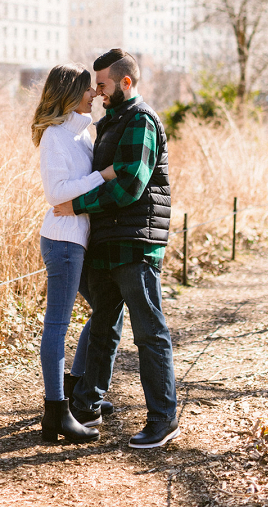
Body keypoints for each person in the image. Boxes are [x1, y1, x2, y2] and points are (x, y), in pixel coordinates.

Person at [53, 48, 179, 449]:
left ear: (126, 82)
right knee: (104, 326)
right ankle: (87, 403)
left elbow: (129, 186)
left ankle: (163, 418)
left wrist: (77, 205)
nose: (98, 91)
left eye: (103, 85)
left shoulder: (140, 120)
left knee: (149, 331)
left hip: (136, 241)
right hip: (108, 242)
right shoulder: (111, 121)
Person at [31, 63, 118, 444]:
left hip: (78, 238)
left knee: (101, 310)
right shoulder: (54, 137)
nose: (95, 94)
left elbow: (75, 191)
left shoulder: (82, 133)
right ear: (70, 93)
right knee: (57, 326)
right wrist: (104, 176)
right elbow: (55, 193)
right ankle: (56, 412)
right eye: (88, 89)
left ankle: (79, 391)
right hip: (63, 242)